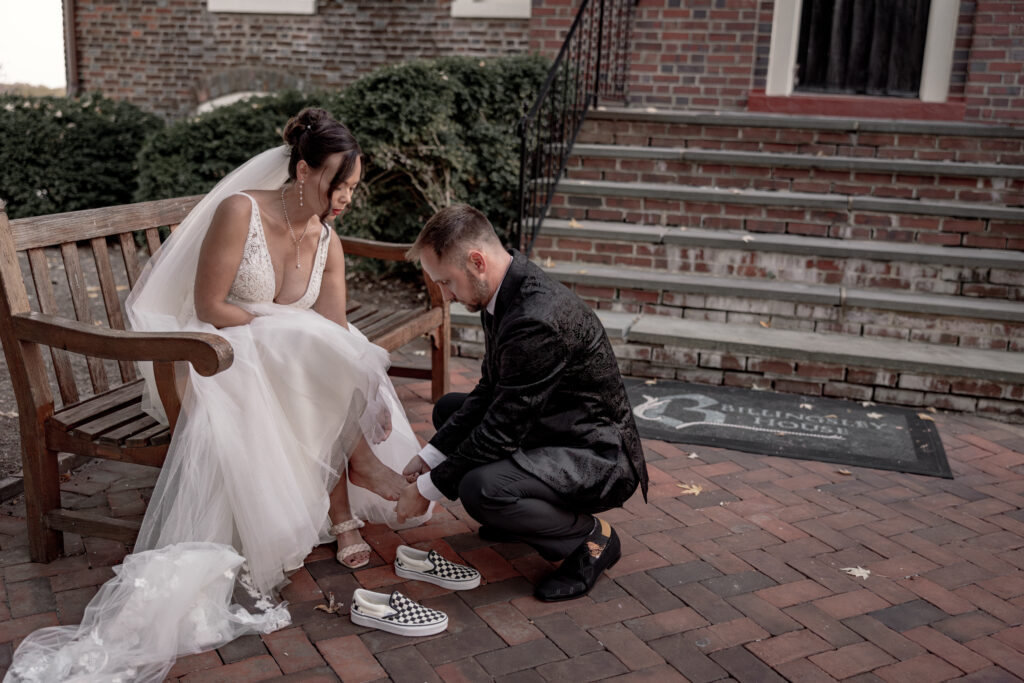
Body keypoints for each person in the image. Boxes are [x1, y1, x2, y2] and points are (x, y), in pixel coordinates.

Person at [5, 108, 431, 682]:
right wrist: (285, 332)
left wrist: (366, 384)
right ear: (303, 171)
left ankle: (345, 489)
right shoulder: (242, 211)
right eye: (339, 183)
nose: (346, 198)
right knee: (298, 347)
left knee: (327, 355)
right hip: (211, 354)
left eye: (353, 188)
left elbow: (333, 333)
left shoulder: (328, 241)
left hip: (283, 363)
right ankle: (356, 480)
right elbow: (210, 307)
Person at [395, 204, 649, 601]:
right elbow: (491, 390)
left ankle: (590, 541)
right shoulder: (501, 289)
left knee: (482, 489)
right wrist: (430, 456)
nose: (444, 295)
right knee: (449, 412)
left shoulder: (535, 318)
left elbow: (500, 431)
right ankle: (522, 519)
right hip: (553, 422)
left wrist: (428, 488)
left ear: (477, 261)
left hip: (596, 454)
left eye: (446, 282)